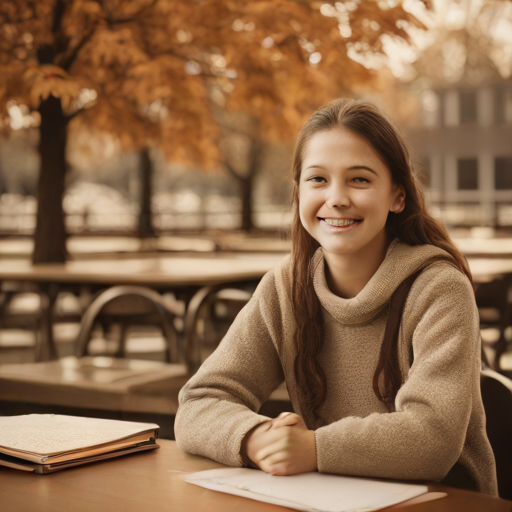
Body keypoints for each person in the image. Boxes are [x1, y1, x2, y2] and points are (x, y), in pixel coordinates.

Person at [175, 98, 498, 496]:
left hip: (446, 503)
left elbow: (432, 438)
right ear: (298, 194)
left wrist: (311, 448)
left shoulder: (439, 289)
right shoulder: (284, 288)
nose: (337, 198)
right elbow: (199, 402)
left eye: (359, 179)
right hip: (330, 497)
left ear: (397, 196)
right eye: (318, 180)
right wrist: (258, 438)